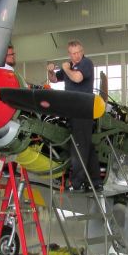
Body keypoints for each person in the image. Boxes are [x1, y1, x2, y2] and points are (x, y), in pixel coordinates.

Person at [47, 40, 102, 191]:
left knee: (78, 147)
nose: (76, 56)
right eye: (73, 53)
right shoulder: (69, 66)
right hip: (72, 111)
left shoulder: (86, 63)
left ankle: (76, 183)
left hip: (82, 110)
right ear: (69, 54)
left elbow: (77, 78)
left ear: (82, 51)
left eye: (78, 52)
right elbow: (54, 80)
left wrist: (66, 68)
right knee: (87, 146)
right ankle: (96, 181)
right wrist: (51, 71)